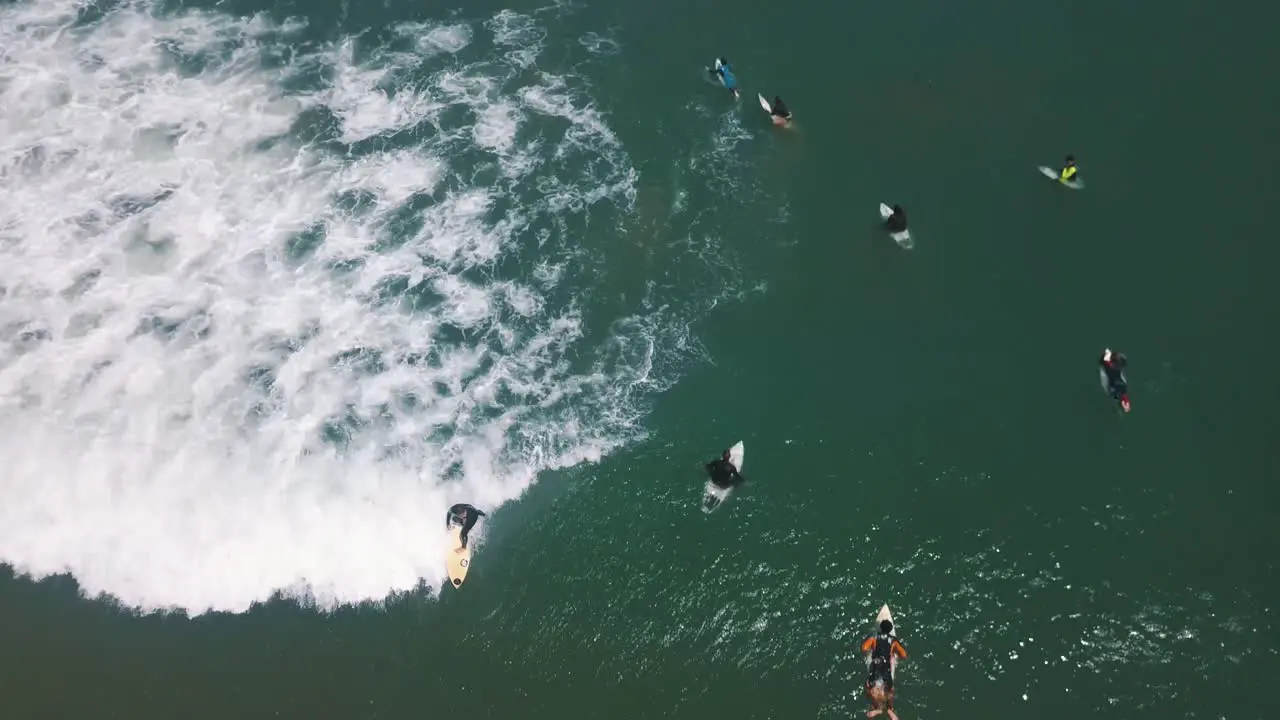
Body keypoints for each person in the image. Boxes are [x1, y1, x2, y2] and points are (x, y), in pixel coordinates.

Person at [861, 619, 908, 719]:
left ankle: (876, 708)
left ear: (880, 628)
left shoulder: (874, 637)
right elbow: (904, 655)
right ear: (890, 630)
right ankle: (890, 710)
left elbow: (864, 648)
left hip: (876, 667)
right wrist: (894, 654)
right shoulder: (893, 640)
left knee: (869, 687)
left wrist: (871, 648)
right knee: (889, 690)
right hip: (886, 669)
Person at [1100, 348, 1131, 412]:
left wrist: (1125, 402)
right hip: (1112, 381)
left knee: (1120, 389)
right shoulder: (1108, 363)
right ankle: (1123, 403)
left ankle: (1123, 403)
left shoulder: (1115, 373)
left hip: (1114, 383)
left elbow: (1123, 392)